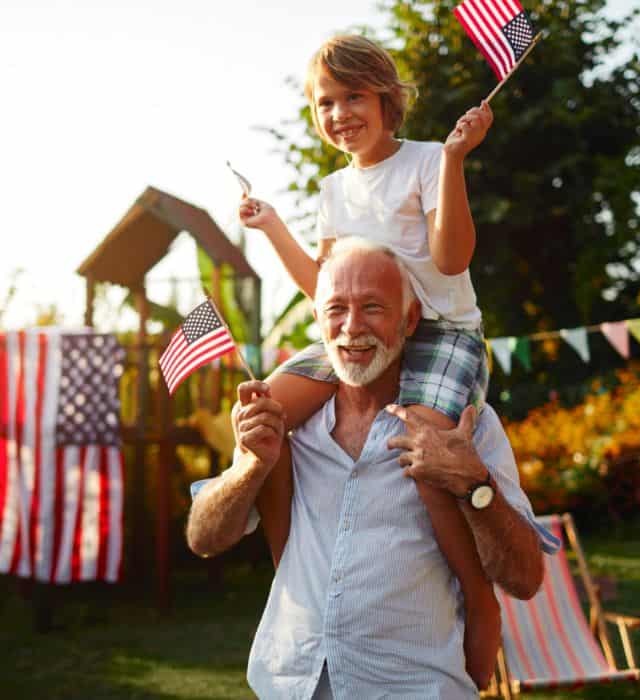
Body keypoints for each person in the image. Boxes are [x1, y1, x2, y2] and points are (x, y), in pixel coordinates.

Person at [187, 240, 560, 699]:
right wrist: (249, 468)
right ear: (318, 321)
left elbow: (525, 579)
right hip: (290, 687)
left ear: (409, 320)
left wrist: (473, 484)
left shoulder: (467, 428)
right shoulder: (284, 429)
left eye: (372, 307)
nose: (352, 327)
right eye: (336, 308)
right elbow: (204, 538)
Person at [238, 34, 498, 681]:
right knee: (265, 413)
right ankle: (297, 579)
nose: (338, 114)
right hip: (360, 334)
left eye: (352, 96)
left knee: (427, 454)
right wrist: (272, 225)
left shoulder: (427, 161)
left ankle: (479, 597)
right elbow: (321, 287)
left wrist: (458, 160)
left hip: (438, 334)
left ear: (387, 99)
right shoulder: (332, 190)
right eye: (325, 103)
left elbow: (451, 260)